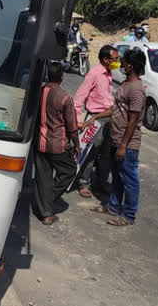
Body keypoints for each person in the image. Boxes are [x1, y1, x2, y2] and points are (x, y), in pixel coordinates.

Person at [84, 48, 147, 226]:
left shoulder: (136, 89)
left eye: (124, 61)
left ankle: (128, 215)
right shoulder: (126, 84)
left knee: (129, 179)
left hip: (126, 143)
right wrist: (96, 116)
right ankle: (112, 205)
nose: (121, 64)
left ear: (131, 66)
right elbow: (116, 109)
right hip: (116, 139)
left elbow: (133, 120)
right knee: (118, 177)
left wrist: (123, 145)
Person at [33, 61, 80, 225]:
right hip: (58, 144)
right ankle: (46, 200)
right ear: (62, 76)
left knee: (43, 176)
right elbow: (72, 126)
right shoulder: (65, 97)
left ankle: (45, 209)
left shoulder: (39, 92)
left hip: (39, 143)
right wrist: (77, 145)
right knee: (69, 171)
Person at [73, 45, 119, 198]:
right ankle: (84, 183)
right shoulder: (94, 74)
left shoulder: (109, 74)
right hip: (95, 118)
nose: (117, 62)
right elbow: (78, 98)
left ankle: (101, 181)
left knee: (106, 153)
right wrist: (79, 120)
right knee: (91, 153)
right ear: (105, 59)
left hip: (108, 118)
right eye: (115, 59)